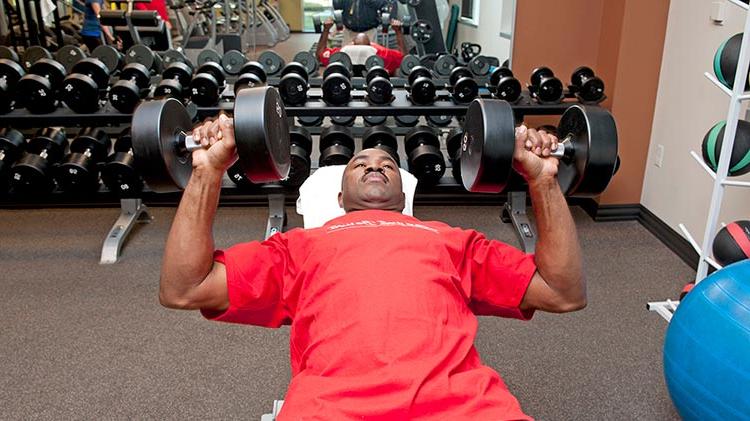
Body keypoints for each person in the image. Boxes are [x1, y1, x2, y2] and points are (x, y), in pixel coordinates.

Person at [158, 112, 585, 419]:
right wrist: (207, 170)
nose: (375, 164)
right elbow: (185, 287)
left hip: (464, 407)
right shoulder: (299, 245)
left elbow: (562, 292)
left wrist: (543, 180)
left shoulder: (452, 239)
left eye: (387, 165)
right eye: (359, 163)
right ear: (340, 200)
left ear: (403, 197)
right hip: (329, 409)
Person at [317, 17, 407, 75]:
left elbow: (320, 54)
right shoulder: (381, 53)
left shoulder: (342, 52)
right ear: (371, 44)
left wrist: (326, 29)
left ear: (352, 43)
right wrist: (398, 31)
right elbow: (404, 57)